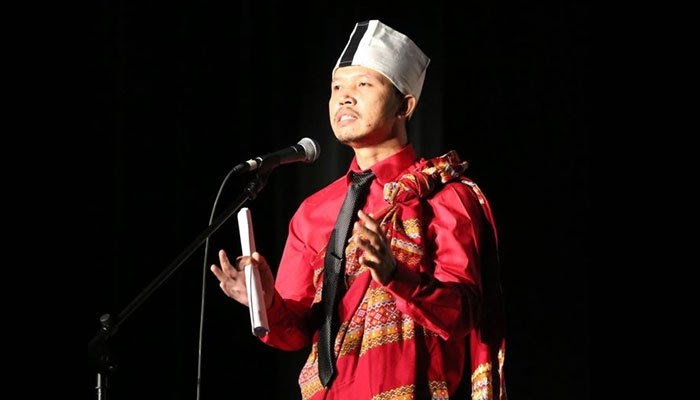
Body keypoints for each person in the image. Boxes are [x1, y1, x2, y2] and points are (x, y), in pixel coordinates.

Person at [210, 19, 507, 400]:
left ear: (404, 106)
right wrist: (264, 301)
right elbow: (297, 332)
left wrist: (395, 275)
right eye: (337, 87)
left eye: (363, 85)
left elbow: (463, 314)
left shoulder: (443, 197)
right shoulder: (313, 211)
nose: (344, 98)